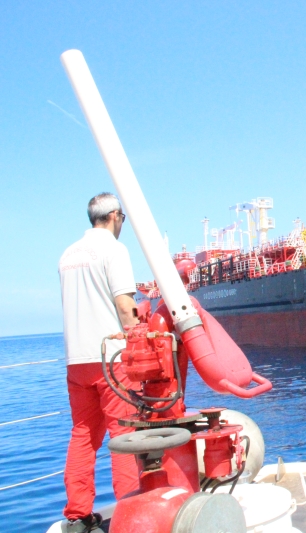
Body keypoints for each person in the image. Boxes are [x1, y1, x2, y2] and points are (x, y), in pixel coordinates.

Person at [58, 193, 140, 533]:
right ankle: (131, 511)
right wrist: (140, 339)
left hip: (76, 361)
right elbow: (124, 305)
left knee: (83, 436)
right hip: (111, 359)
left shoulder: (68, 254)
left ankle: (77, 517)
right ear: (116, 216)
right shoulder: (114, 249)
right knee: (124, 436)